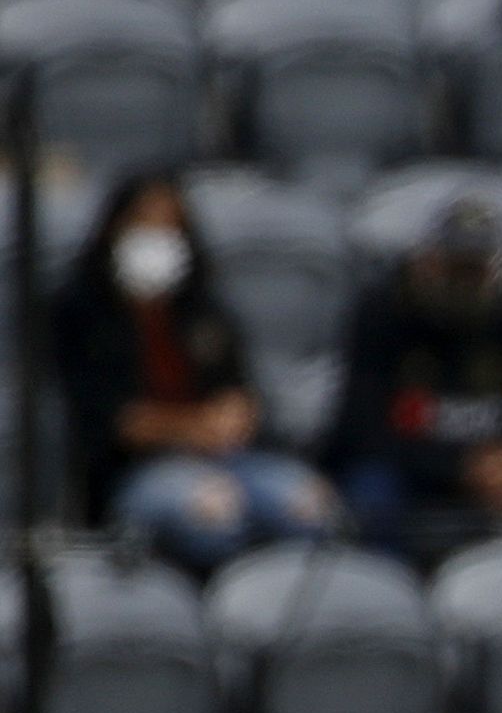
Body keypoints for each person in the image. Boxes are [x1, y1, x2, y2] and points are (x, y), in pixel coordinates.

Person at [54, 171, 338, 570]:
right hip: (136, 470)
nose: (158, 238)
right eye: (145, 225)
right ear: (115, 229)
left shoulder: (202, 308)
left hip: (227, 459)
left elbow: (240, 392)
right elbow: (112, 419)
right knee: (211, 514)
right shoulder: (83, 313)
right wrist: (191, 428)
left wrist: (236, 415)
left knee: (309, 504)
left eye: (171, 227)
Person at [332, 198, 502, 560]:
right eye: (455, 268)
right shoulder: (382, 313)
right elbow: (359, 429)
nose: (464, 283)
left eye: (476, 270)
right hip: (407, 467)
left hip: (496, 469)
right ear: (428, 261)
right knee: (370, 492)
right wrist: (460, 466)